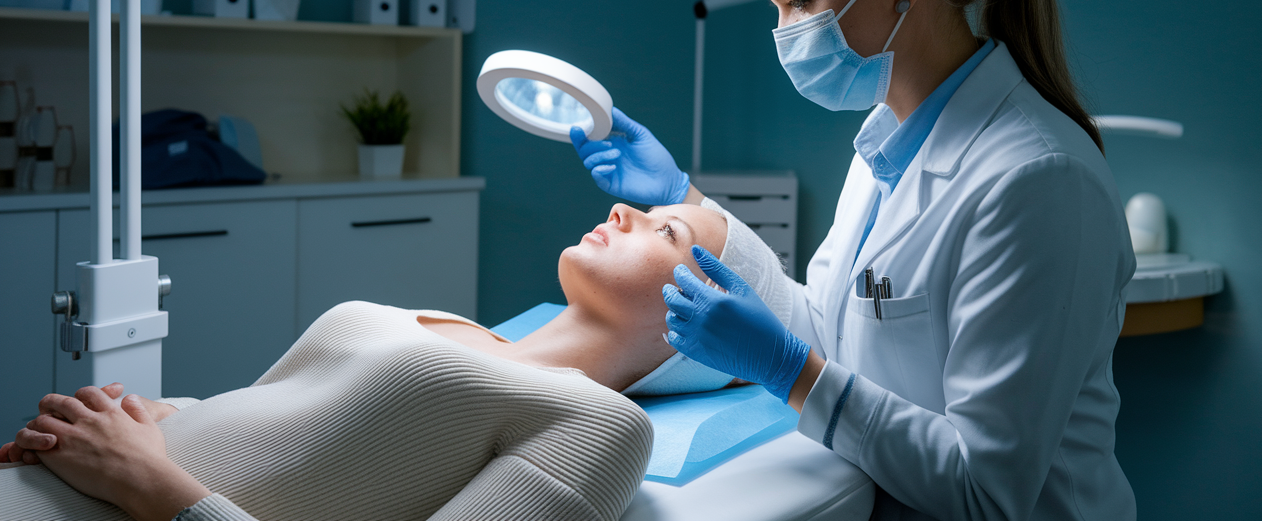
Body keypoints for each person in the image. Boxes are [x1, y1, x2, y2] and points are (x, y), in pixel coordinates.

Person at [570, 0, 1138, 520]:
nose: (783, 32)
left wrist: (792, 371)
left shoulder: (1037, 182)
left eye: (801, 1)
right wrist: (684, 201)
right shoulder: (884, 145)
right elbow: (831, 323)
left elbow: (986, 490)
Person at [0, 200, 787, 521]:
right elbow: (289, 421)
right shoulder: (450, 323)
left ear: (700, 324)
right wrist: (153, 417)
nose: (624, 210)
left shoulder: (597, 424)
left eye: (668, 233)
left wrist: (147, 478)